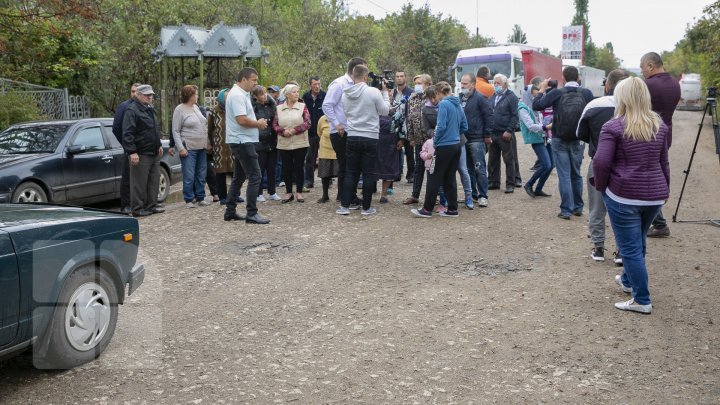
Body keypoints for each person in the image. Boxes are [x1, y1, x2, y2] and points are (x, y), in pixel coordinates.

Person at [591, 77, 670, 315]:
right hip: (654, 196)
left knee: (630, 247)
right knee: (638, 241)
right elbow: (663, 162)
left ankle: (642, 299)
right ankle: (627, 281)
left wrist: (602, 187)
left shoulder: (613, 126)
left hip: (624, 195)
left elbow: (601, 161)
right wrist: (664, 190)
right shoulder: (659, 125)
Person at [577, 69, 628, 262]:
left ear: (607, 85)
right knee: (622, 208)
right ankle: (621, 251)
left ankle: (598, 248)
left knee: (596, 207)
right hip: (624, 165)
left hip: (598, 161)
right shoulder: (632, 107)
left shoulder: (593, 105)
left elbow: (580, 133)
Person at [533, 66, 594, 219]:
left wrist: (541, 89)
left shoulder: (556, 93)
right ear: (578, 77)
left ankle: (566, 209)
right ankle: (578, 207)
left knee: (564, 175)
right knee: (576, 174)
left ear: (563, 78)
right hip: (578, 138)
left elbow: (536, 105)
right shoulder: (586, 93)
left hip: (559, 137)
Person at [336, 64, 391, 216]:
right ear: (366, 77)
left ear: (353, 76)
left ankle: (345, 206)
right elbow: (385, 111)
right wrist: (385, 93)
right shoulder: (373, 92)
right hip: (370, 136)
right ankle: (366, 208)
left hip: (353, 135)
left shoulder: (345, 94)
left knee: (350, 172)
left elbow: (346, 113)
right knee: (368, 173)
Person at [411, 81, 468, 218]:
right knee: (450, 178)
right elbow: (465, 126)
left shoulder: (444, 104)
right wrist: (454, 134)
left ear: (437, 93)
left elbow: (441, 126)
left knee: (433, 177)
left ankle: (426, 209)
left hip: (444, 146)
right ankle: (452, 209)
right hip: (456, 145)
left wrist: (436, 141)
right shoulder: (457, 103)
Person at [641, 52, 681, 238]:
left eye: (642, 68)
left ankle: (658, 223)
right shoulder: (675, 84)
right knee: (653, 175)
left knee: (645, 179)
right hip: (666, 135)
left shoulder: (647, 85)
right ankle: (659, 223)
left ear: (650, 65)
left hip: (647, 137)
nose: (642, 72)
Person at [224, 67, 270, 224]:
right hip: (242, 141)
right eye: (253, 80)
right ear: (244, 79)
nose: (255, 83)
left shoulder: (240, 94)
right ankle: (252, 213)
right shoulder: (237, 95)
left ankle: (230, 211)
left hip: (241, 140)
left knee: (239, 177)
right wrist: (258, 124)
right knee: (255, 175)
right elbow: (241, 120)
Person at [322, 57, 367, 203]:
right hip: (341, 132)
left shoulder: (357, 84)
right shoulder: (339, 84)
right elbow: (327, 105)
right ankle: (345, 196)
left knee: (352, 165)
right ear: (355, 69)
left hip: (353, 130)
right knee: (347, 165)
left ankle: (346, 194)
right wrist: (336, 123)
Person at [121, 84, 164, 217]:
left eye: (151, 95)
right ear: (138, 95)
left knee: (153, 180)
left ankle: (151, 205)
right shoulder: (131, 110)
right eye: (147, 95)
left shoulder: (150, 109)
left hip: (154, 150)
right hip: (141, 152)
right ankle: (138, 208)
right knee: (138, 183)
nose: (150, 97)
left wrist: (159, 144)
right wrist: (132, 151)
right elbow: (127, 133)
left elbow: (154, 129)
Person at [171, 85, 210, 208]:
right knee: (189, 174)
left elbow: (203, 126)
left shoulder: (196, 108)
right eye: (196, 94)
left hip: (201, 146)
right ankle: (188, 199)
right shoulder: (180, 109)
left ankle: (201, 196)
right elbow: (175, 130)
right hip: (189, 147)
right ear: (190, 96)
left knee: (201, 173)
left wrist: (207, 142)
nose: (197, 96)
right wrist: (180, 148)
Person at [272, 84, 311, 203]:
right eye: (294, 92)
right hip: (284, 142)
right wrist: (283, 131)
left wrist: (295, 130)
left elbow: (308, 122)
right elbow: (274, 124)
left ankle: (299, 192)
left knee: (299, 167)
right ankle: (289, 192)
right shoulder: (279, 108)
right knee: (286, 167)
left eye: (298, 91)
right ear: (287, 94)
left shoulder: (302, 106)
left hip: (300, 142)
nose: (297, 94)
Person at [460, 73, 492, 208]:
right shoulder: (460, 98)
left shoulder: (480, 98)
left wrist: (486, 135)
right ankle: (472, 194)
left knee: (479, 168)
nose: (462, 86)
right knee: (468, 169)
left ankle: (483, 196)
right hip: (464, 139)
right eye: (461, 83)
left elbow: (488, 116)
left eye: (465, 83)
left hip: (477, 139)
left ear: (472, 84)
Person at [208, 88, 244, 205]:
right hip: (219, 145)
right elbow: (209, 129)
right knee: (220, 172)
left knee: (236, 171)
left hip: (233, 144)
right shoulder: (214, 111)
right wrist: (210, 143)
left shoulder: (234, 110)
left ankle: (235, 194)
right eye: (226, 97)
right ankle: (222, 196)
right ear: (221, 98)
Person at [518, 84, 554, 199]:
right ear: (529, 93)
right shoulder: (522, 108)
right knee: (546, 164)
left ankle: (538, 189)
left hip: (544, 137)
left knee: (551, 164)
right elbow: (530, 126)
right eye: (535, 93)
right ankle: (529, 184)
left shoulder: (535, 106)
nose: (536, 96)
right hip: (536, 138)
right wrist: (545, 127)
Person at [487, 74, 519, 193]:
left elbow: (515, 115)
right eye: (494, 83)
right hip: (493, 133)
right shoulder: (492, 97)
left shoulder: (511, 97)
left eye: (498, 83)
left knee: (509, 159)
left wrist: (509, 130)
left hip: (505, 133)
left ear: (505, 84)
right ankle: (493, 182)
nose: (495, 85)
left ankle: (510, 183)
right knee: (492, 159)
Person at [403, 73, 432, 205]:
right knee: (419, 167)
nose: (417, 86)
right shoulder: (412, 98)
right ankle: (415, 195)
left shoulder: (433, 98)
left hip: (431, 139)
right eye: (416, 83)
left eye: (420, 83)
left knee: (432, 167)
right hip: (419, 139)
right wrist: (411, 137)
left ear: (428, 84)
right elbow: (409, 119)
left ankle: (433, 195)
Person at [112, 82, 140, 214]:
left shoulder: (146, 105)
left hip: (143, 148)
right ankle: (126, 205)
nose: (134, 94)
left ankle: (140, 203)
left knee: (140, 178)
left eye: (136, 91)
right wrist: (126, 145)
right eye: (132, 91)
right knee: (127, 178)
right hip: (130, 148)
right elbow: (116, 128)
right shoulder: (124, 106)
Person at [251, 85, 281, 202]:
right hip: (259, 141)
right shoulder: (253, 107)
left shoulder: (271, 105)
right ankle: (258, 193)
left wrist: (269, 98)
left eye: (265, 93)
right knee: (260, 168)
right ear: (255, 96)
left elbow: (275, 109)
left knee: (272, 168)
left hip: (272, 140)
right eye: (261, 94)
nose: (265, 96)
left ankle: (272, 191)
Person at [302, 76, 326, 190]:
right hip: (311, 132)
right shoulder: (305, 97)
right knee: (310, 157)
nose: (317, 86)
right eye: (315, 84)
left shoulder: (325, 96)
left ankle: (327, 179)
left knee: (326, 157)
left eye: (319, 84)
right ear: (310, 85)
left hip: (324, 132)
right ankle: (309, 180)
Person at [392, 70, 414, 183]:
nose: (399, 78)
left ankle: (411, 175)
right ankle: (396, 173)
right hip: (395, 126)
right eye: (397, 76)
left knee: (410, 152)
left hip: (408, 125)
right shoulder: (393, 93)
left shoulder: (411, 92)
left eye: (401, 76)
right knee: (396, 150)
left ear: (405, 78)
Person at [376, 114, 400, 203]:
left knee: (389, 166)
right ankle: (369, 191)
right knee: (372, 165)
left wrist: (402, 139)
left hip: (391, 141)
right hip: (374, 138)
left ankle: (383, 194)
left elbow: (402, 124)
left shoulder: (397, 107)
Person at [316, 115, 339, 203]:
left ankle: (340, 195)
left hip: (338, 150)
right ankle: (325, 195)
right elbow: (319, 133)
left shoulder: (341, 117)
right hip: (325, 150)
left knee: (340, 174)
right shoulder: (322, 119)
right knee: (324, 174)